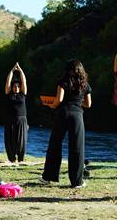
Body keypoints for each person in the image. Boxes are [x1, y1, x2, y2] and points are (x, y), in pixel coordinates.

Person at [40, 59, 91, 188]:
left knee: (55, 144)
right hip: (77, 115)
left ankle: (48, 177)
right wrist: (78, 102)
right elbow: (88, 104)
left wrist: (52, 106)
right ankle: (77, 181)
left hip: (63, 113)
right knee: (77, 148)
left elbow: (59, 100)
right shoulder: (85, 84)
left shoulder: (63, 82)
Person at [4, 62, 28, 164]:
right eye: (14, 86)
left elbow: (24, 81)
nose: (16, 87)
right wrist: (13, 70)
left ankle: (20, 159)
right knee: (9, 140)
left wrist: (20, 70)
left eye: (18, 86)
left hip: (22, 120)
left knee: (21, 140)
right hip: (10, 119)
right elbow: (8, 82)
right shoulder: (8, 94)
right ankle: (12, 159)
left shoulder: (23, 94)